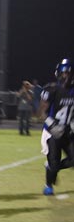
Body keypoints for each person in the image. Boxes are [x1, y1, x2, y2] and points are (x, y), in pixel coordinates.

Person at [39, 58, 74, 196]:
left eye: (68, 73)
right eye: (63, 73)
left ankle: (51, 167)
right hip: (52, 132)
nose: (65, 76)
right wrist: (52, 124)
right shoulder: (52, 89)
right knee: (54, 165)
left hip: (67, 131)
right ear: (58, 74)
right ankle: (48, 185)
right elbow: (41, 112)